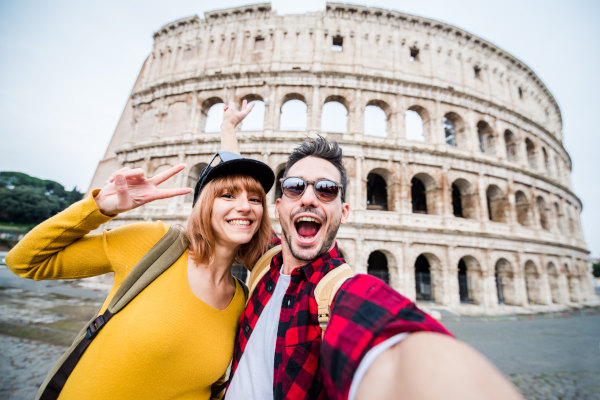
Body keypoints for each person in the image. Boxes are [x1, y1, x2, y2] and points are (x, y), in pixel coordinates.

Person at [221, 102, 524, 400]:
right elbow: (233, 184)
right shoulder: (265, 261)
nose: (309, 198)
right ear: (278, 207)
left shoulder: (342, 293)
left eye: (326, 189)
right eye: (295, 187)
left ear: (345, 211)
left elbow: (398, 353)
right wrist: (228, 128)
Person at [5, 141, 275, 398]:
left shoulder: (242, 299)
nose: (244, 207)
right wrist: (97, 208)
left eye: (255, 199)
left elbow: (216, 388)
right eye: (227, 195)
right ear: (204, 205)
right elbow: (26, 262)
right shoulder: (153, 242)